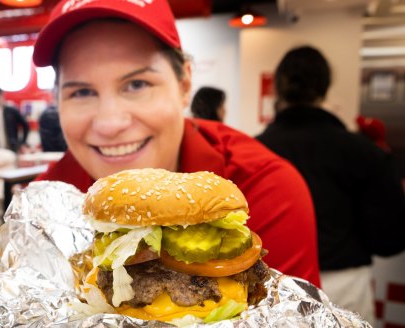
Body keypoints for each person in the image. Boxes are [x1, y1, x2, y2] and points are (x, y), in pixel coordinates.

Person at [32, 0, 320, 286]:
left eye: (137, 84)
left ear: (184, 86)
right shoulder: (44, 201)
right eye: (81, 92)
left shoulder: (266, 188)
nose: (110, 124)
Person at [256, 46, 405, 323]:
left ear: (278, 89)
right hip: (345, 286)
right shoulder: (363, 150)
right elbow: (391, 238)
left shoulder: (256, 150)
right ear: (324, 88)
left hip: (272, 287)